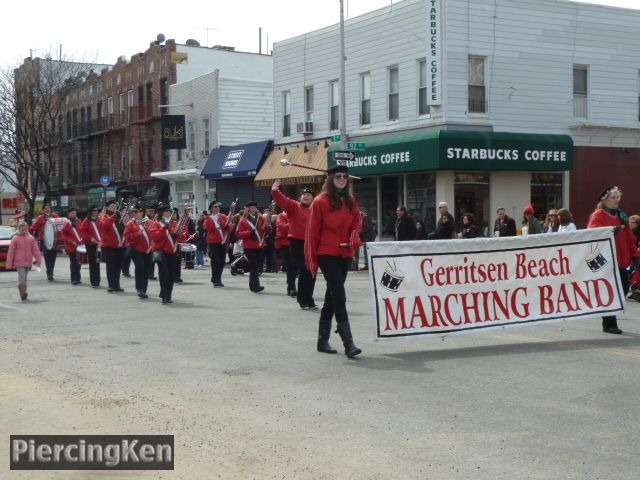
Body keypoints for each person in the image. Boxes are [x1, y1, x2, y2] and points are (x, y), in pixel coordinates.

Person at [306, 165, 363, 358]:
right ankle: (349, 343)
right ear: (330, 179)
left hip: (345, 254)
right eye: (338, 176)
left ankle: (322, 341)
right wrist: (311, 261)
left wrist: (355, 237)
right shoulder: (319, 202)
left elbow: (357, 223)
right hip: (327, 253)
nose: (341, 179)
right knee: (339, 294)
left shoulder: (350, 201)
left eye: (345, 176)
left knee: (331, 297)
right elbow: (312, 232)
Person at [587, 186, 639, 334]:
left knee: (623, 289)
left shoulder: (621, 215)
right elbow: (592, 233)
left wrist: (635, 254)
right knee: (611, 291)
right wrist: (609, 231)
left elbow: (630, 238)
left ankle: (609, 320)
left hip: (622, 261)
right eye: (613, 198)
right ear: (605, 200)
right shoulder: (598, 215)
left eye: (618, 198)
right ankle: (609, 323)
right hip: (607, 261)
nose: (617, 200)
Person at [272, 180, 318, 309]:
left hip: (312, 243)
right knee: (304, 270)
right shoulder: (294, 206)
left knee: (312, 271)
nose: (306, 196)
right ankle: (302, 299)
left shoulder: (316, 209)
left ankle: (309, 298)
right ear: (300, 197)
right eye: (304, 195)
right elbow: (283, 200)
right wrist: (276, 190)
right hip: (297, 242)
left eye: (309, 195)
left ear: (313, 198)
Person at [235, 202, 268, 293]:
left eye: (255, 208)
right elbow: (238, 234)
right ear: (248, 209)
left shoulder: (261, 219)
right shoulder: (243, 220)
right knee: (254, 265)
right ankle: (255, 286)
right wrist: (249, 233)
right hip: (249, 246)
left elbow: (264, 230)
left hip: (259, 245)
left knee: (256, 266)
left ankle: (253, 285)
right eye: (252, 208)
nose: (254, 209)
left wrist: (268, 228)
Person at [6, 220, 42, 301]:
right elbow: (11, 252)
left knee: (24, 279)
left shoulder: (31, 238)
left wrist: (38, 260)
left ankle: (23, 293)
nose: (24, 231)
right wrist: (9, 264)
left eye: (25, 230)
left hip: (28, 261)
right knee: (22, 278)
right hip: (19, 262)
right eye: (22, 230)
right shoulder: (15, 238)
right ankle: (23, 294)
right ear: (19, 229)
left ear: (27, 229)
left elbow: (35, 250)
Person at [150, 203, 178, 304]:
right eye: (166, 211)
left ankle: (168, 295)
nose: (169, 213)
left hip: (172, 251)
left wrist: (178, 234)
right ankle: (164, 294)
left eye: (169, 211)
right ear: (161, 213)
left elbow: (181, 236)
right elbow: (154, 237)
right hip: (161, 252)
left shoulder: (174, 223)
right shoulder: (156, 223)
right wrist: (163, 229)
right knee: (164, 274)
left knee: (171, 275)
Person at [124, 204, 152, 299]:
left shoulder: (150, 222)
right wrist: (137, 234)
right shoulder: (130, 223)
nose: (134, 214)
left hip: (148, 250)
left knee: (146, 269)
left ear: (142, 212)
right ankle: (139, 289)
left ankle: (144, 289)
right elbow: (127, 237)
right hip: (136, 250)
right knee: (140, 267)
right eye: (133, 212)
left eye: (136, 212)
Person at [99, 200, 126, 293]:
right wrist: (114, 217)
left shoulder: (118, 217)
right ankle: (111, 285)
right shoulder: (103, 216)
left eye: (115, 206)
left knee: (118, 266)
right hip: (108, 246)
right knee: (111, 266)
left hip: (119, 245)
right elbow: (105, 226)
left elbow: (123, 229)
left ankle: (117, 285)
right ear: (107, 208)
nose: (114, 207)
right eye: (112, 206)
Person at [204, 200, 232, 288]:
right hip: (213, 242)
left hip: (223, 242)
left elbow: (230, 227)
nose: (217, 208)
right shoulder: (209, 218)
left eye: (218, 206)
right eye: (215, 207)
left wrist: (225, 225)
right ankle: (216, 280)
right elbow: (208, 228)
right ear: (211, 209)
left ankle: (217, 278)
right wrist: (208, 218)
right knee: (215, 261)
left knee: (222, 261)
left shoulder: (223, 216)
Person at [28, 202, 59, 281]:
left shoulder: (56, 216)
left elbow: (60, 225)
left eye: (49, 208)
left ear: (51, 209)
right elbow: (33, 227)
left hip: (55, 240)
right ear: (43, 210)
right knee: (47, 257)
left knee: (53, 257)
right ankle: (49, 274)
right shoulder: (40, 218)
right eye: (46, 208)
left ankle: (51, 272)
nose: (47, 209)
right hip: (44, 240)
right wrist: (27, 231)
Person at [79, 205, 102, 288]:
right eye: (94, 210)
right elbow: (83, 232)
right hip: (90, 245)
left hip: (99, 244)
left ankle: (97, 280)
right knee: (92, 263)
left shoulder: (99, 220)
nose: (96, 212)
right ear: (91, 212)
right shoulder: (86, 221)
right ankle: (94, 281)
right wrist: (90, 238)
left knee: (97, 262)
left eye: (97, 210)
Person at [59, 207, 83, 285]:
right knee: (73, 262)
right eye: (72, 213)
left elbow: (82, 232)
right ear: (69, 214)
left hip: (79, 245)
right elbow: (63, 235)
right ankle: (74, 279)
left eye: (75, 212)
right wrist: (71, 241)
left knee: (79, 263)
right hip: (71, 246)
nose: (74, 214)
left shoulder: (79, 221)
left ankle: (78, 278)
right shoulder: (66, 223)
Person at [275, 210, 297, 296]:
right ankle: (291, 288)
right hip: (285, 244)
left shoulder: (295, 215)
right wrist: (295, 224)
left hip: (296, 243)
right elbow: (283, 227)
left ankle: (291, 285)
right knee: (290, 266)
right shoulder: (281, 215)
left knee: (295, 267)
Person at [145, 203, 158, 280]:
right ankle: (147, 274)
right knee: (147, 259)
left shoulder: (155, 219)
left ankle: (151, 274)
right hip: (146, 241)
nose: (151, 212)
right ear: (146, 211)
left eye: (153, 211)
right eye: (149, 211)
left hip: (154, 241)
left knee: (152, 259)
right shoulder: (145, 219)